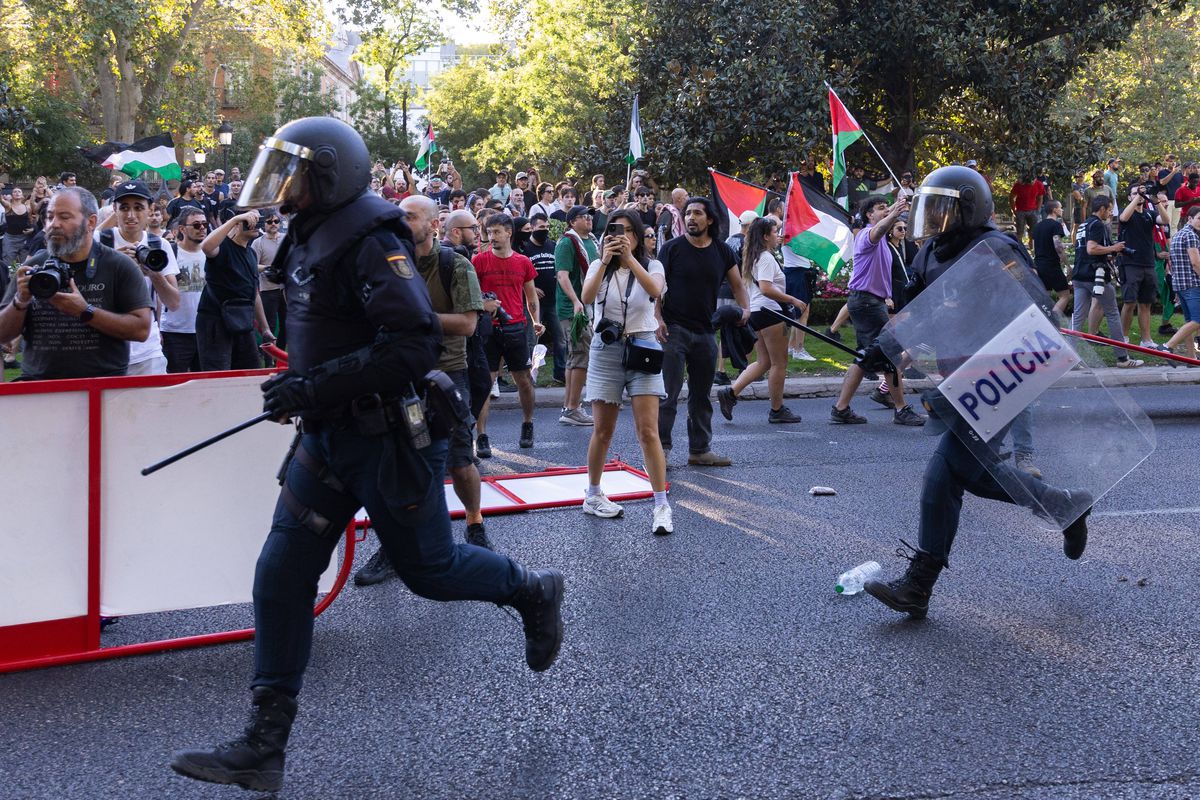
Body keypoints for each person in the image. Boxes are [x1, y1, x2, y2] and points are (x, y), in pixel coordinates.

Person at [170, 118, 564, 795]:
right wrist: (302, 386)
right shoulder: (304, 231)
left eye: (292, 172)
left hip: (386, 437)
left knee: (431, 571)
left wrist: (312, 383)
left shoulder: (370, 236)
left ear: (327, 172)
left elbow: (411, 342)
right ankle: (263, 747)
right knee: (280, 573)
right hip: (325, 436)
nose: (280, 186)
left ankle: (533, 589)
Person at [863, 165, 1093, 619]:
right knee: (966, 472)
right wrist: (881, 349)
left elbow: (1036, 316)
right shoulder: (930, 251)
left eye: (943, 208)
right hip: (957, 378)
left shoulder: (997, 248)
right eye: (930, 208)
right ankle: (1064, 506)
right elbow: (917, 311)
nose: (933, 218)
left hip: (999, 376)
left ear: (970, 208)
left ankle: (918, 586)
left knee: (944, 472)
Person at [356, 194, 492, 587]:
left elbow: (467, 324)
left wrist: (412, 318)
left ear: (433, 225)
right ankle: (392, 546)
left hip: (446, 376)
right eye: (397, 215)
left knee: (459, 459)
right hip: (396, 375)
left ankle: (474, 524)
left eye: (410, 216)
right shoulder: (384, 263)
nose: (401, 221)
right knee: (395, 461)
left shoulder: (455, 265)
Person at [576, 209, 673, 534]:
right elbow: (587, 297)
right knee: (603, 430)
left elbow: (654, 291)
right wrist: (604, 261)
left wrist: (630, 259)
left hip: (643, 347)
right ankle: (592, 495)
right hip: (606, 350)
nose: (623, 237)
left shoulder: (652, 264)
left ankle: (661, 504)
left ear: (639, 235)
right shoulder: (597, 266)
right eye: (617, 230)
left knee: (648, 431)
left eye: (630, 231)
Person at [0, 187, 151, 379]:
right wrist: (20, 301)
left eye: (64, 217)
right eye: (49, 216)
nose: (53, 224)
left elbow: (141, 329)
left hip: (103, 389)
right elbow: (2, 335)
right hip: (40, 389)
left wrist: (85, 312)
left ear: (91, 222)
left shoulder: (119, 266)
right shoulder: (32, 268)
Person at [655, 197, 750, 467]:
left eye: (697, 213)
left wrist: (746, 309)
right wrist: (657, 318)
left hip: (707, 332)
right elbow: (657, 288)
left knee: (701, 396)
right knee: (668, 396)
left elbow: (738, 284)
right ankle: (660, 451)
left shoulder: (722, 251)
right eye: (687, 214)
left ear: (709, 220)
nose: (690, 218)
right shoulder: (672, 249)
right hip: (673, 330)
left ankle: (699, 450)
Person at [829, 195, 925, 426]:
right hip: (867, 303)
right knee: (890, 352)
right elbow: (881, 225)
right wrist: (892, 212)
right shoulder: (867, 235)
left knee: (865, 357)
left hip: (871, 302)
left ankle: (841, 408)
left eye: (886, 207)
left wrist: (897, 205)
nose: (886, 211)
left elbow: (885, 216)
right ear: (869, 215)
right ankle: (901, 409)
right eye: (880, 209)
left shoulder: (881, 235)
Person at [716, 217, 807, 424]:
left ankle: (731, 393)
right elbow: (766, 287)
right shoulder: (765, 257)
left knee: (764, 361)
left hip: (758, 312)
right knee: (779, 363)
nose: (778, 235)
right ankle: (777, 410)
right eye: (775, 232)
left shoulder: (753, 257)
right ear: (766, 236)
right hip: (770, 313)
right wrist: (792, 299)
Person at [473, 213, 544, 453]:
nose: (491, 236)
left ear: (508, 233)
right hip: (487, 330)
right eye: (489, 232)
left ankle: (528, 423)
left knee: (523, 380)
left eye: (496, 232)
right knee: (485, 383)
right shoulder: (479, 261)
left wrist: (537, 321)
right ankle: (481, 436)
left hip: (516, 327)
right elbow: (473, 295)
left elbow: (531, 295)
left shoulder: (523, 262)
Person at [97, 180, 181, 375]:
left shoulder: (159, 246)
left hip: (146, 350)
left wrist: (153, 272)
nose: (131, 215)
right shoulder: (100, 241)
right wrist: (115, 262)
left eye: (138, 207)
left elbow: (174, 302)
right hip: (105, 347)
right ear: (115, 210)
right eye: (124, 208)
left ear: (149, 210)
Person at [196, 205, 275, 370]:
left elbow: (254, 293)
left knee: (250, 372)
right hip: (215, 323)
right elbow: (206, 247)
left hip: (242, 322)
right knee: (218, 377)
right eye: (251, 220)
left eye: (258, 220)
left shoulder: (251, 254)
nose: (256, 224)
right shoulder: (222, 247)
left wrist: (265, 328)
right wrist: (235, 219)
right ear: (238, 224)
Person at [1071, 196, 1144, 368]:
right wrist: (1114, 248)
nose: (1111, 212)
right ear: (1102, 209)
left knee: (1077, 318)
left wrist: (1110, 252)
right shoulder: (1097, 224)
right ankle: (1122, 358)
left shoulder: (1083, 224)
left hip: (1079, 276)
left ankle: (1069, 358)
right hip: (1095, 276)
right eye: (1110, 209)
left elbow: (1086, 249)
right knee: (1112, 314)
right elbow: (1092, 248)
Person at [554, 205, 598, 426]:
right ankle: (573, 408)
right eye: (583, 216)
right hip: (575, 310)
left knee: (575, 357)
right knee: (581, 356)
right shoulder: (566, 243)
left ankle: (570, 407)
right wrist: (575, 301)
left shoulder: (592, 241)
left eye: (590, 216)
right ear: (572, 222)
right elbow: (562, 276)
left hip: (589, 307)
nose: (589, 219)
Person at [1118, 186, 1170, 348]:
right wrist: (1137, 197)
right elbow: (1123, 218)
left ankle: (1146, 340)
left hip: (1148, 263)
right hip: (1130, 263)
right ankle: (1123, 338)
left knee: (1146, 303)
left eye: (1141, 194)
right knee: (1129, 302)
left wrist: (1156, 202)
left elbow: (1166, 220)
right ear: (1129, 197)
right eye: (1134, 194)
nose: (1139, 196)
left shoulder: (1149, 213)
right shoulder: (1127, 212)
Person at [521, 212, 565, 385]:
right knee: (532, 341)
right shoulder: (525, 249)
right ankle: (530, 376)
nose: (545, 230)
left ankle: (560, 373)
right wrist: (532, 288)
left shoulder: (553, 245)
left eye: (547, 227)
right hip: (534, 303)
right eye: (541, 227)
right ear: (532, 228)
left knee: (561, 339)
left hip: (553, 300)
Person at [161, 209, 208, 372]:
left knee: (203, 385)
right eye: (196, 224)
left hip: (204, 331)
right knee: (174, 384)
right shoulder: (171, 253)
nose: (202, 228)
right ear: (182, 229)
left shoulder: (210, 252)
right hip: (175, 332)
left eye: (204, 224)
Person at [1156, 205, 1200, 359]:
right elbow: (1195, 263)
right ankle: (1167, 347)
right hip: (1192, 284)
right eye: (1199, 218)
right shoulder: (1191, 236)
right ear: (1189, 218)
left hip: (1180, 285)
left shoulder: (1179, 234)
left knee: (1190, 321)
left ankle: (1191, 358)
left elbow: (1173, 261)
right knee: (1197, 320)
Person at [252, 210, 286, 352]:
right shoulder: (258, 242)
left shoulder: (286, 239)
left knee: (287, 324)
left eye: (276, 221)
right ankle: (269, 357)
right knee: (269, 326)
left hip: (286, 289)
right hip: (267, 290)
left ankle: (282, 354)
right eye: (269, 222)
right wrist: (269, 267)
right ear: (264, 224)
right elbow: (252, 264)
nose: (273, 224)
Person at [1031, 200, 1072, 317]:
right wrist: (1067, 265)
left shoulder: (1038, 226)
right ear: (1054, 210)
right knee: (1065, 295)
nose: (1062, 209)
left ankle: (1039, 319)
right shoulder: (1056, 225)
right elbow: (1058, 246)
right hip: (1051, 265)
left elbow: (1035, 246)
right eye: (1060, 207)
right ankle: (1053, 320)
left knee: (1045, 296)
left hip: (1039, 265)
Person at [1010, 174, 1046, 247]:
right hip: (1020, 210)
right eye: (1030, 181)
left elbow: (1040, 198)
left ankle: (1032, 249)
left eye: (1033, 180)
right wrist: (1014, 210)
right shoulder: (1019, 184)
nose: (1032, 182)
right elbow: (1011, 197)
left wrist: (1038, 210)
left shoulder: (1039, 184)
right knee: (1019, 231)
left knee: (1033, 232)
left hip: (1033, 210)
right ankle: (1019, 248)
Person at [1, 187, 34, 265]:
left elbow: (31, 221)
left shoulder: (27, 208)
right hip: (10, 239)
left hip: (24, 238)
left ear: (22, 195)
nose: (17, 193)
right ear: (12, 195)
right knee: (8, 263)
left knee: (25, 263)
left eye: (19, 191)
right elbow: (1, 200)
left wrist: (32, 229)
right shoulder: (8, 206)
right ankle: (8, 277)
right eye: (14, 191)